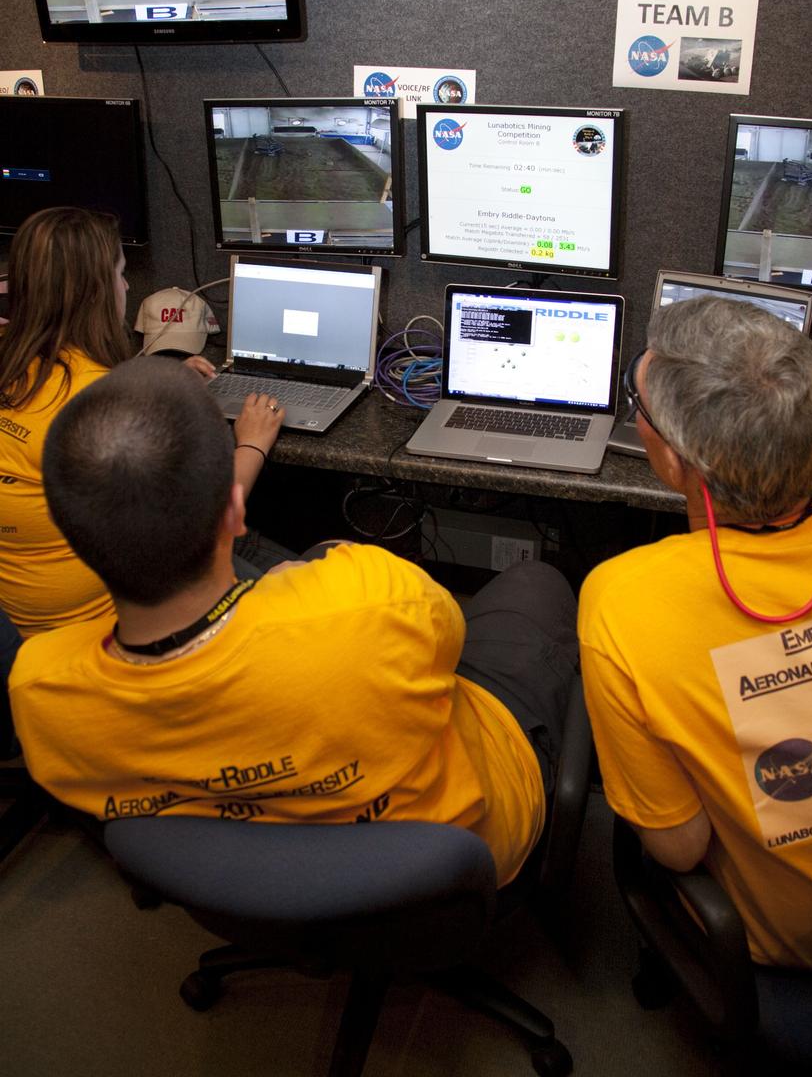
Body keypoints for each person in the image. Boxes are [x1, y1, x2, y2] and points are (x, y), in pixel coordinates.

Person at [9, 355, 578, 888]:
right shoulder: (373, 598)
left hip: (241, 893)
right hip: (458, 859)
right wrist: (310, 587)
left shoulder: (38, 689)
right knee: (535, 585)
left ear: (68, 532)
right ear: (235, 509)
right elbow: (448, 643)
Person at [578, 296, 812, 1071]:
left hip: (794, 955)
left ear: (674, 462)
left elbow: (677, 849)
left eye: (637, 408)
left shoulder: (622, 600)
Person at [0, 206, 285, 640]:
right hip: (113, 623)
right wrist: (253, 442)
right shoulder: (105, 403)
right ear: (96, 293)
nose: (128, 285)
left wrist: (153, 379)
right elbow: (201, 531)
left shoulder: (14, 360)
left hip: (22, 618)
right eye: (120, 273)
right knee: (307, 579)